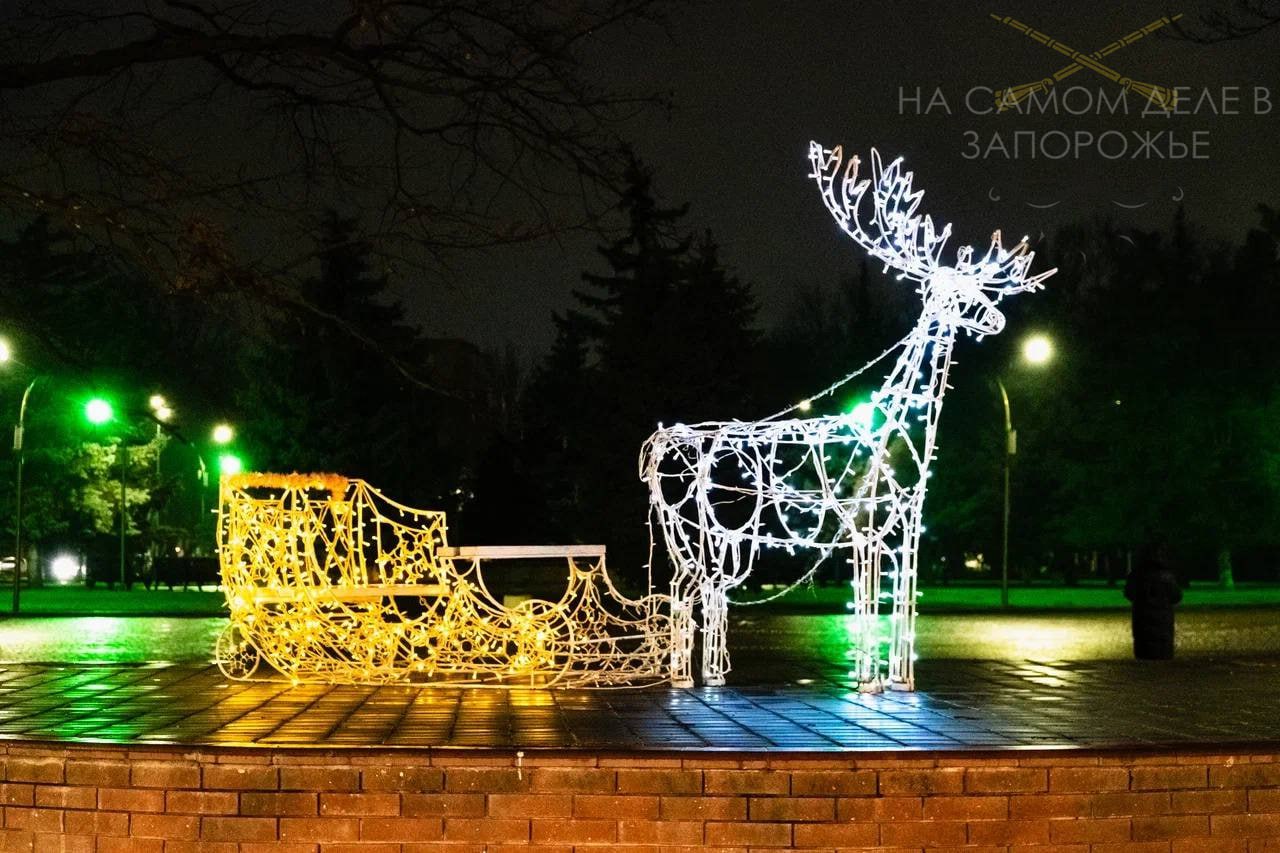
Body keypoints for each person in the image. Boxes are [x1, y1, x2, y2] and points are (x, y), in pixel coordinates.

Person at [1123, 543, 1183, 659]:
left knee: (1143, 644)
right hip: (1163, 616)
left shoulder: (1137, 574)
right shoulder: (1167, 575)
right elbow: (1177, 596)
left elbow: (1129, 593)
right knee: (1162, 645)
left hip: (1142, 615)